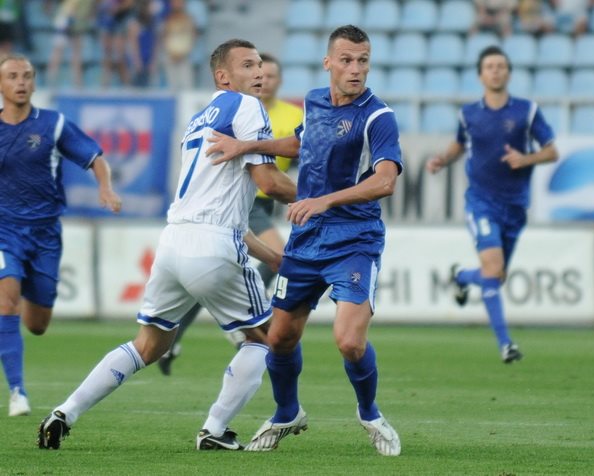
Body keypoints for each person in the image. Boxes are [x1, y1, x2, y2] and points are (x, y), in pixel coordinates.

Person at [37, 38, 297, 450]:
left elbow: (219, 211)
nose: (259, 72)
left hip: (175, 241)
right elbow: (269, 183)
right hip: (213, 246)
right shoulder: (247, 107)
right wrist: (322, 198)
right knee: (268, 339)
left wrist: (273, 258)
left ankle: (65, 412)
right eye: (248, 65)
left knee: (149, 345)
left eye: (260, 65)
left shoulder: (198, 119)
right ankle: (214, 429)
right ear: (223, 76)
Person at [205, 24, 402, 456]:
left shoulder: (378, 116)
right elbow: (299, 143)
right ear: (328, 62)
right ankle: (286, 413)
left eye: (363, 61)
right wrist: (244, 146)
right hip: (307, 239)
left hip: (355, 239)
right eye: (346, 60)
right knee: (279, 338)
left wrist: (323, 200)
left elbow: (385, 181)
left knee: (349, 341)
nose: (356, 69)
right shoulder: (313, 102)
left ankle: (370, 413)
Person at [156, 52, 303, 376]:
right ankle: (242, 313)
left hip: (263, 202)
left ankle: (191, 331)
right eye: (256, 69)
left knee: (209, 279)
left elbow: (298, 155)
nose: (263, 78)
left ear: (279, 81)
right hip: (246, 202)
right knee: (273, 255)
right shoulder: (243, 108)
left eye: (269, 74)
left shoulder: (292, 114)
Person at [0, 54, 121, 417]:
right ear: (1, 84)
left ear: (35, 82)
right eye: (12, 76)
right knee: (6, 302)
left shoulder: (53, 124)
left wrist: (105, 188)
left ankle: (18, 309)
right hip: (5, 231)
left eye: (27, 76)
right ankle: (17, 391)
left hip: (46, 234)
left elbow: (95, 158)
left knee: (37, 324)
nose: (21, 82)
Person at [426, 46, 558, 364]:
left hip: (515, 206)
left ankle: (461, 277)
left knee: (494, 276)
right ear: (480, 75)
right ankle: (506, 344)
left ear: (508, 73)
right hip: (481, 202)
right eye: (490, 66)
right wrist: (443, 159)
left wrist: (526, 159)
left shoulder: (526, 111)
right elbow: (460, 143)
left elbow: (551, 151)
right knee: (494, 269)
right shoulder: (469, 114)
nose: (496, 71)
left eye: (501, 66)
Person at [46, 0, 96, 88]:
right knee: (59, 51)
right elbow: (71, 8)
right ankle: (51, 81)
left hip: (76, 22)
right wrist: (71, 23)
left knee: (76, 53)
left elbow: (88, 12)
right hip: (66, 21)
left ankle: (77, 83)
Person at [161, 0, 197, 90]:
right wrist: (170, 53)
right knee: (171, 86)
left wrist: (184, 53)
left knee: (187, 86)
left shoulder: (189, 19)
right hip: (170, 57)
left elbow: (192, 38)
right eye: (174, 2)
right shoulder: (167, 19)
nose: (176, 4)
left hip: (185, 57)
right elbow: (164, 37)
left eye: (179, 2)